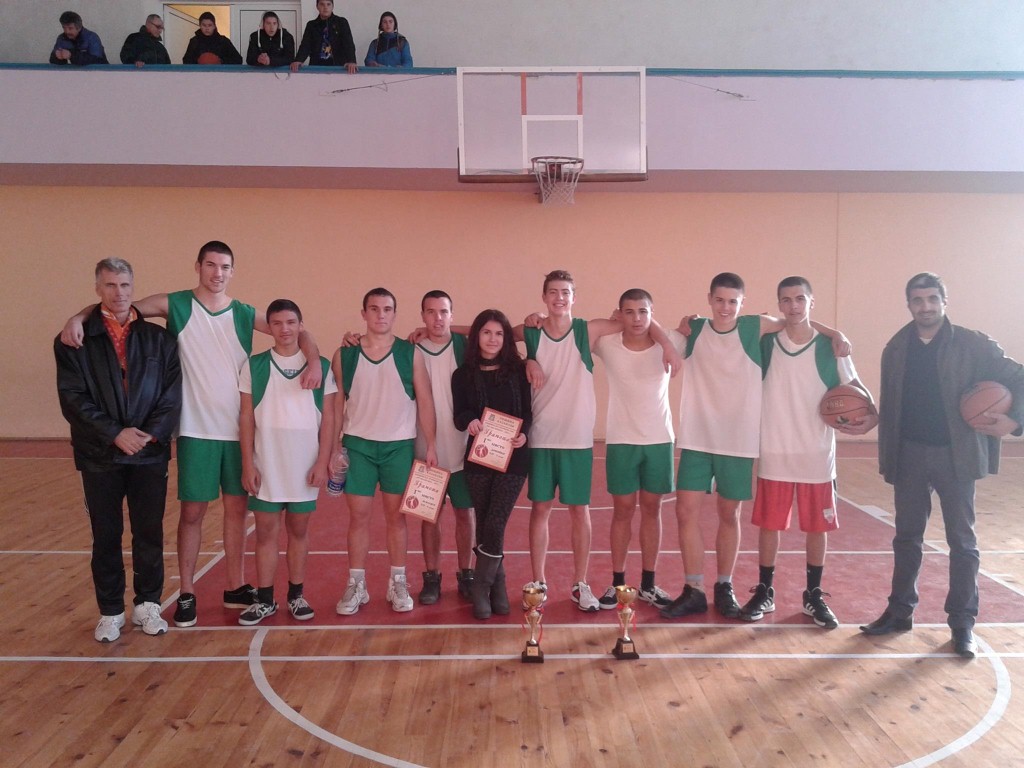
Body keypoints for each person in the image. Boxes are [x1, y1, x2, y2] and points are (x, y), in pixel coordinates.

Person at [60, 241, 322, 628]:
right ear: (198, 266)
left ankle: (235, 586)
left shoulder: (245, 312)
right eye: (211, 265)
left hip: (239, 432)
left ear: (232, 271)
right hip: (196, 430)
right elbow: (118, 306)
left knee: (237, 512)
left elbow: (297, 329)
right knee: (193, 513)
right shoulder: (175, 304)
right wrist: (77, 317)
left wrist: (314, 359)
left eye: (225, 266)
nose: (218, 272)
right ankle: (187, 592)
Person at [661, 272, 848, 621]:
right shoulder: (695, 329)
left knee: (728, 514)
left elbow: (795, 319)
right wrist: (675, 327)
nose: (725, 307)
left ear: (742, 303)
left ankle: (724, 585)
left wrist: (835, 333)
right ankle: (693, 589)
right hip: (697, 437)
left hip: (737, 440)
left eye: (732, 301)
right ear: (709, 299)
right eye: (719, 300)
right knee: (684, 512)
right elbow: (656, 335)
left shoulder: (753, 327)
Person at [861, 272, 1024, 659]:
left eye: (933, 299)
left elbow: (1019, 376)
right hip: (910, 453)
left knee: (962, 541)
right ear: (909, 304)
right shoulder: (896, 347)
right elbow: (893, 405)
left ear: (944, 302)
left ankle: (962, 623)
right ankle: (899, 612)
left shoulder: (973, 343)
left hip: (956, 454)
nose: (926, 307)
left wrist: (1016, 421)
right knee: (906, 538)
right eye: (918, 300)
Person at [519, 270, 682, 612]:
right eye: (553, 292)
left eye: (565, 292)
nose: (559, 298)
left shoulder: (593, 331)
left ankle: (606, 583)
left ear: (574, 297)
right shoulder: (584, 338)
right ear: (544, 297)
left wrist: (668, 342)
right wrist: (527, 359)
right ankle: (548, 582)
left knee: (610, 510)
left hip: (599, 438)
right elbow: (494, 334)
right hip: (550, 436)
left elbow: (655, 324)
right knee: (543, 509)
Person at [739, 276, 877, 628]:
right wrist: (832, 328)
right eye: (786, 300)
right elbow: (744, 322)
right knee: (769, 526)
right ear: (779, 304)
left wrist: (872, 414)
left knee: (817, 528)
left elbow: (854, 386)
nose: (793, 306)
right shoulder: (767, 343)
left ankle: (813, 594)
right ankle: (765, 590)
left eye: (800, 299)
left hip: (817, 454)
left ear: (811, 302)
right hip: (775, 449)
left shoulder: (831, 347)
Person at [55, 258, 181, 642]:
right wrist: (115, 434)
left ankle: (148, 604)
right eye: (110, 285)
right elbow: (73, 399)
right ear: (98, 289)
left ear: (133, 287)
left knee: (149, 532)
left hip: (149, 453)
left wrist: (147, 434)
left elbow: (172, 394)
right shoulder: (74, 340)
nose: (119, 292)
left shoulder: (159, 339)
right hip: (99, 456)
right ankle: (110, 611)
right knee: (106, 535)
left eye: (125, 285)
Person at [331, 288, 437, 615]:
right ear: (363, 313)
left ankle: (398, 582)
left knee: (396, 518)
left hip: (398, 447)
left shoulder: (410, 354)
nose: (381, 315)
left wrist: (431, 444)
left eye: (387, 309)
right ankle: (356, 584)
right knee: (358, 518)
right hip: (358, 446)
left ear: (395, 314)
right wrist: (333, 447)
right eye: (374, 309)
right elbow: (336, 405)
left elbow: (425, 401)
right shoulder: (344, 355)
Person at [237, 300, 336, 625]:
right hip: (267, 464)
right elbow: (246, 417)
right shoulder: (254, 365)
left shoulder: (320, 366)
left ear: (300, 325)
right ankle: (265, 600)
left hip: (304, 466)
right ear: (269, 328)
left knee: (299, 531)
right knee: (265, 533)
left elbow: (329, 419)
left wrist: (322, 462)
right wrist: (248, 464)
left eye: (291, 322)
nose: (284, 329)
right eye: (277, 323)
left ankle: (296, 595)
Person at [592, 289, 685, 611]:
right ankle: (618, 582)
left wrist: (670, 338)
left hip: (659, 440)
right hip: (621, 441)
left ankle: (648, 584)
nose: (636, 318)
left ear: (652, 313)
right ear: (619, 314)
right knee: (622, 511)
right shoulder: (607, 344)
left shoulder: (670, 342)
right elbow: (580, 330)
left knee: (652, 510)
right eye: (629, 312)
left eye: (643, 312)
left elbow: (695, 326)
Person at [452, 310, 532, 619]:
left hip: (514, 458)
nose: (493, 339)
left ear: (506, 338)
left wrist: (524, 434)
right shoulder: (463, 374)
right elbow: (459, 414)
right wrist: (470, 421)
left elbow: (527, 412)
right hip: (479, 459)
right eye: (486, 332)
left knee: (496, 524)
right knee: (485, 524)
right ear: (476, 336)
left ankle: (480, 587)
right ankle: (498, 587)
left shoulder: (519, 370)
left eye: (499, 333)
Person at [413, 292, 475, 604]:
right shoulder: (411, 349)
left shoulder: (465, 346)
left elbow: (488, 328)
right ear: (422, 316)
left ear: (452, 314)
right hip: (425, 449)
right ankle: (432, 576)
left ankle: (467, 574)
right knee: (430, 516)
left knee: (465, 513)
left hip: (464, 448)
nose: (437, 318)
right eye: (431, 312)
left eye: (444, 312)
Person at [291, 0, 357, 73]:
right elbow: (305, 45)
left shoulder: (341, 22)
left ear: (332, 6)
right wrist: (298, 60)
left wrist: (352, 61)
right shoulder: (311, 25)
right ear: (317, 7)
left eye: (328, 4)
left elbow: (348, 43)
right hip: (316, 67)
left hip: (338, 67)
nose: (325, 7)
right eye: (322, 4)